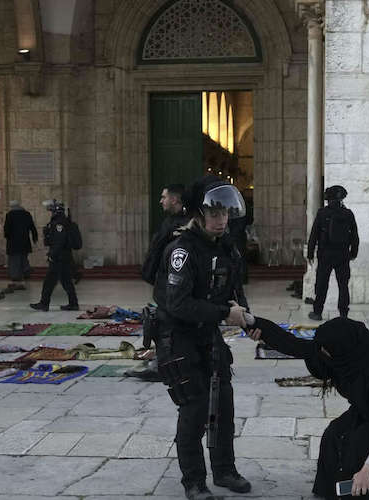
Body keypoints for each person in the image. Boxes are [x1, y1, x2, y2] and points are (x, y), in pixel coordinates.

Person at [247, 316, 369, 498]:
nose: (321, 352)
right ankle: (332, 490)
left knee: (361, 445)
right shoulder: (341, 353)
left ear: (343, 349)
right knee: (334, 434)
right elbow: (294, 345)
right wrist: (251, 322)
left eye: (325, 349)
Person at [153, 176, 252, 499]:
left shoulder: (227, 247)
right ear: (198, 213)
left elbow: (234, 290)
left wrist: (246, 316)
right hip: (177, 336)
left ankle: (224, 470)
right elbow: (178, 304)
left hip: (208, 335)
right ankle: (194, 481)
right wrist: (225, 313)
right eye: (214, 214)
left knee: (223, 402)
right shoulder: (182, 250)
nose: (221, 220)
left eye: (225, 214)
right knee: (194, 409)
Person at [129, 184, 190, 382]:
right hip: (165, 282)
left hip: (171, 283)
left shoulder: (183, 224)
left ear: (174, 199)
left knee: (165, 324)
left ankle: (161, 366)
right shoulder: (172, 221)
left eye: (164, 197)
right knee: (165, 322)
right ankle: (165, 361)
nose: (161, 201)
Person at [307, 185, 359, 321]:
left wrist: (310, 253)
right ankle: (343, 313)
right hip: (342, 254)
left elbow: (314, 234)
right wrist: (353, 252)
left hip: (325, 254)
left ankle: (317, 312)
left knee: (322, 284)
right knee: (343, 285)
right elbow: (354, 236)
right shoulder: (348, 214)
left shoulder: (322, 213)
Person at [30, 200, 81, 311]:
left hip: (59, 257)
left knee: (49, 281)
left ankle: (44, 303)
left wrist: (52, 255)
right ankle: (73, 303)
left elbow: (59, 241)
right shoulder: (63, 221)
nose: (50, 213)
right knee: (66, 281)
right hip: (65, 257)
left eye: (51, 210)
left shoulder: (59, 223)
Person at [3, 200, 38, 291]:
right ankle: (26, 271)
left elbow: (7, 229)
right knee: (23, 257)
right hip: (24, 241)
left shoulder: (10, 215)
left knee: (14, 260)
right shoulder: (26, 214)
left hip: (13, 242)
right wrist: (35, 238)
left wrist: (7, 236)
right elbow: (32, 227)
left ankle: (17, 279)